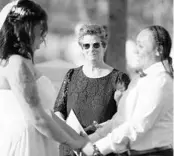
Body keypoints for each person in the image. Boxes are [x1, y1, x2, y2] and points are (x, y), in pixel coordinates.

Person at [0, 0, 92, 155]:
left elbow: (46, 113)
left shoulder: (23, 62)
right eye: (40, 33)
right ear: (26, 29)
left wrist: (78, 138)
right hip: (26, 144)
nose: (43, 40)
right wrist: (75, 144)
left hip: (38, 140)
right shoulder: (17, 64)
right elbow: (38, 118)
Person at [83, 25, 173, 156]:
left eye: (141, 46)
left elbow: (137, 126)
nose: (136, 50)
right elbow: (121, 120)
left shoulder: (161, 81)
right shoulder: (141, 79)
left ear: (158, 50)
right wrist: (92, 138)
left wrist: (98, 148)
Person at [54, 24, 130, 156]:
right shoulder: (71, 75)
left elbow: (125, 118)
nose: (91, 49)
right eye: (86, 46)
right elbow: (58, 110)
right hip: (70, 149)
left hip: (101, 149)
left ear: (104, 46)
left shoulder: (119, 79)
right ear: (81, 48)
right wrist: (67, 131)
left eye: (96, 45)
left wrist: (100, 131)